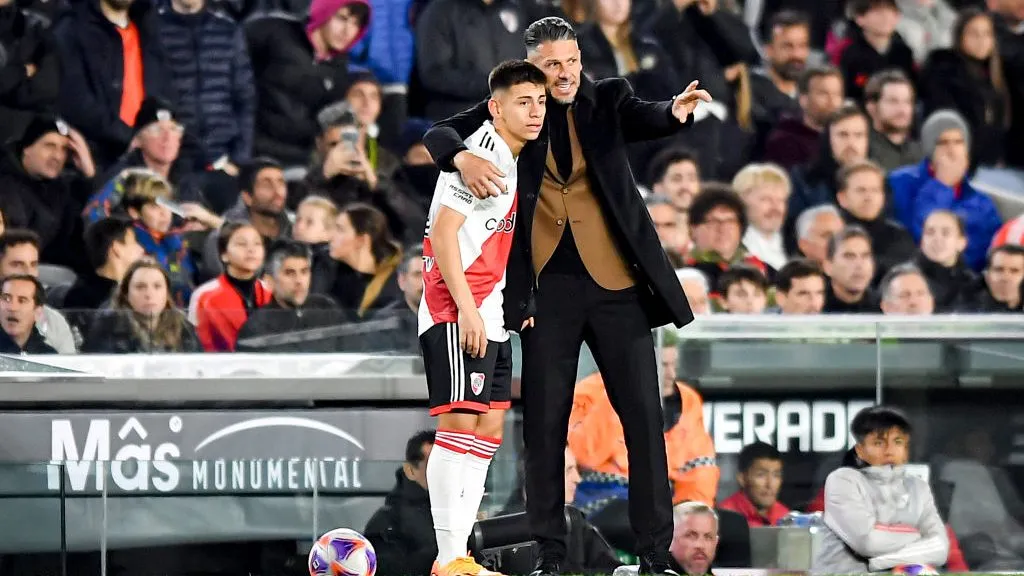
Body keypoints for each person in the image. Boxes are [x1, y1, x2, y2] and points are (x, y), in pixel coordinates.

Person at [423, 16, 710, 576]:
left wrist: (674, 113)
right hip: (544, 292)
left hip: (617, 287)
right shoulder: (513, 108)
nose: (565, 74)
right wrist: (461, 157)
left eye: (572, 61)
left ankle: (655, 555)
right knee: (545, 427)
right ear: (532, 65)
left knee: (643, 421)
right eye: (553, 64)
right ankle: (550, 556)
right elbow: (438, 133)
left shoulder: (607, 97)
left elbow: (646, 117)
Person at [418, 60, 547, 576]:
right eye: (523, 101)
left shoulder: (513, 157)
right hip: (457, 308)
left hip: (489, 309)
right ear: (496, 107)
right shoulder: (483, 152)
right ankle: (449, 559)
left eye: (539, 101)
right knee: (458, 425)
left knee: (488, 428)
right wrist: (467, 311)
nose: (535, 111)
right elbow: (443, 234)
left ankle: (460, 557)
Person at [813, 406, 949, 574]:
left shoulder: (918, 488)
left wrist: (879, 562)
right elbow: (868, 542)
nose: (889, 451)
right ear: (860, 450)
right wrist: (918, 536)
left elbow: (940, 548)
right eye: (879, 443)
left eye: (898, 442)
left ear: (906, 450)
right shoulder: (843, 480)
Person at [364, 430, 437, 576]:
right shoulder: (387, 521)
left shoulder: (464, 510)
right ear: (410, 470)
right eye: (433, 465)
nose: (442, 473)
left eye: (448, 465)